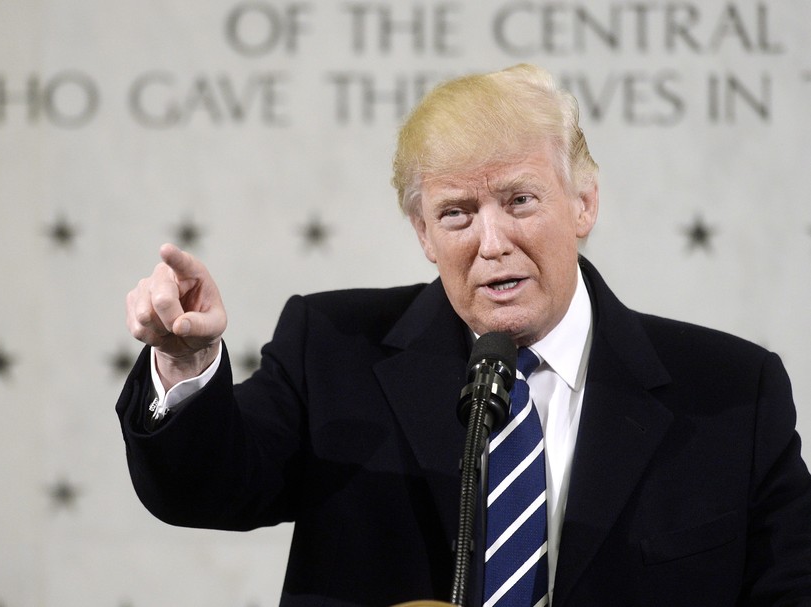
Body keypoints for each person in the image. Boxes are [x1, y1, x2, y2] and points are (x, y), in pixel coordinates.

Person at [117, 64, 811, 606]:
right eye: (456, 212)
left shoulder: (729, 393)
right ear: (422, 233)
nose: (491, 241)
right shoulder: (333, 349)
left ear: (582, 202)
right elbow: (205, 487)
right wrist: (186, 358)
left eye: (518, 200)